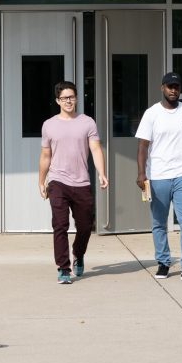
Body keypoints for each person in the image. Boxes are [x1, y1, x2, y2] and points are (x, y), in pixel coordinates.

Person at [136, 72, 182, 281]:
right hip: (158, 175)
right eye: (169, 86)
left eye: (176, 87)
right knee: (159, 222)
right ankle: (163, 262)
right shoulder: (152, 114)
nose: (173, 90)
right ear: (162, 88)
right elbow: (143, 145)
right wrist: (141, 173)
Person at [38, 81, 108, 284]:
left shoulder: (87, 122)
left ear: (77, 98)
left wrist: (101, 173)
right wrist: (41, 181)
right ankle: (63, 268)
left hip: (82, 182)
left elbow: (95, 149)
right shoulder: (49, 125)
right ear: (57, 101)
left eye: (71, 97)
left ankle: (78, 253)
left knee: (85, 226)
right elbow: (45, 155)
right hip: (57, 181)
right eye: (64, 98)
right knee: (60, 225)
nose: (68, 101)